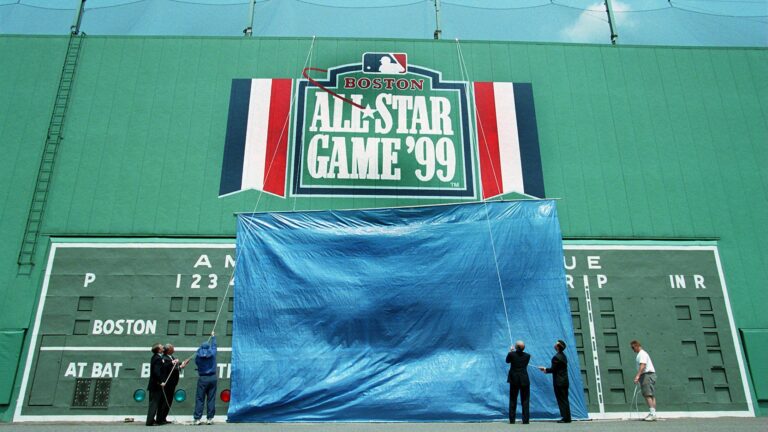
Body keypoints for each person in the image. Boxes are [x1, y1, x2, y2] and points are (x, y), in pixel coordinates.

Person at [538, 340, 571, 423]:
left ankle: (565, 418)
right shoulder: (563, 356)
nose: (554, 345)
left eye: (556, 344)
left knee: (561, 399)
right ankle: (568, 417)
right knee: (565, 399)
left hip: (559, 382)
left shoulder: (556, 357)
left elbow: (553, 369)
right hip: (565, 381)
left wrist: (544, 369)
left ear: (558, 347)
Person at [157, 343, 189, 425]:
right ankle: (160, 419)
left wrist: (183, 363)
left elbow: (175, 364)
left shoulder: (171, 357)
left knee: (169, 401)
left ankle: (164, 418)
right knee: (165, 401)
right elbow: (169, 368)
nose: (174, 349)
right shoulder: (165, 358)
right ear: (169, 350)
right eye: (172, 348)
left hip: (173, 383)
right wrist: (180, 367)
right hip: (168, 383)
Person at [193, 331, 218, 425]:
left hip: (202, 378)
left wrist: (200, 349)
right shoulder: (213, 354)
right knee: (211, 399)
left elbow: (197, 362)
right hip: (212, 378)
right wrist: (213, 337)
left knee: (200, 399)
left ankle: (197, 419)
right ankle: (210, 418)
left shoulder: (198, 357)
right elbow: (214, 346)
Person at [631, 340, 657, 421]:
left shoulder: (641, 354)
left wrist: (637, 376)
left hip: (647, 375)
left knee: (647, 394)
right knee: (650, 394)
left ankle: (652, 414)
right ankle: (653, 413)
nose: (633, 350)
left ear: (636, 346)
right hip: (649, 375)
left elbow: (642, 366)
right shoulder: (642, 354)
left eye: (633, 348)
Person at [506, 340, 531, 424]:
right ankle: (525, 420)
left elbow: (507, 361)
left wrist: (511, 351)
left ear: (516, 347)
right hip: (524, 379)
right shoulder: (528, 356)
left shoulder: (511, 354)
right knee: (525, 400)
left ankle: (512, 420)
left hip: (514, 380)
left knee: (513, 399)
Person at [146, 343, 165, 426]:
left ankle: (154, 420)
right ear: (158, 349)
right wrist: (161, 382)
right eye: (161, 346)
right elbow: (156, 372)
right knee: (154, 404)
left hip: (153, 384)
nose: (163, 347)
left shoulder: (155, 357)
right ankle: (150, 421)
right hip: (156, 385)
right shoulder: (158, 358)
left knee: (154, 403)